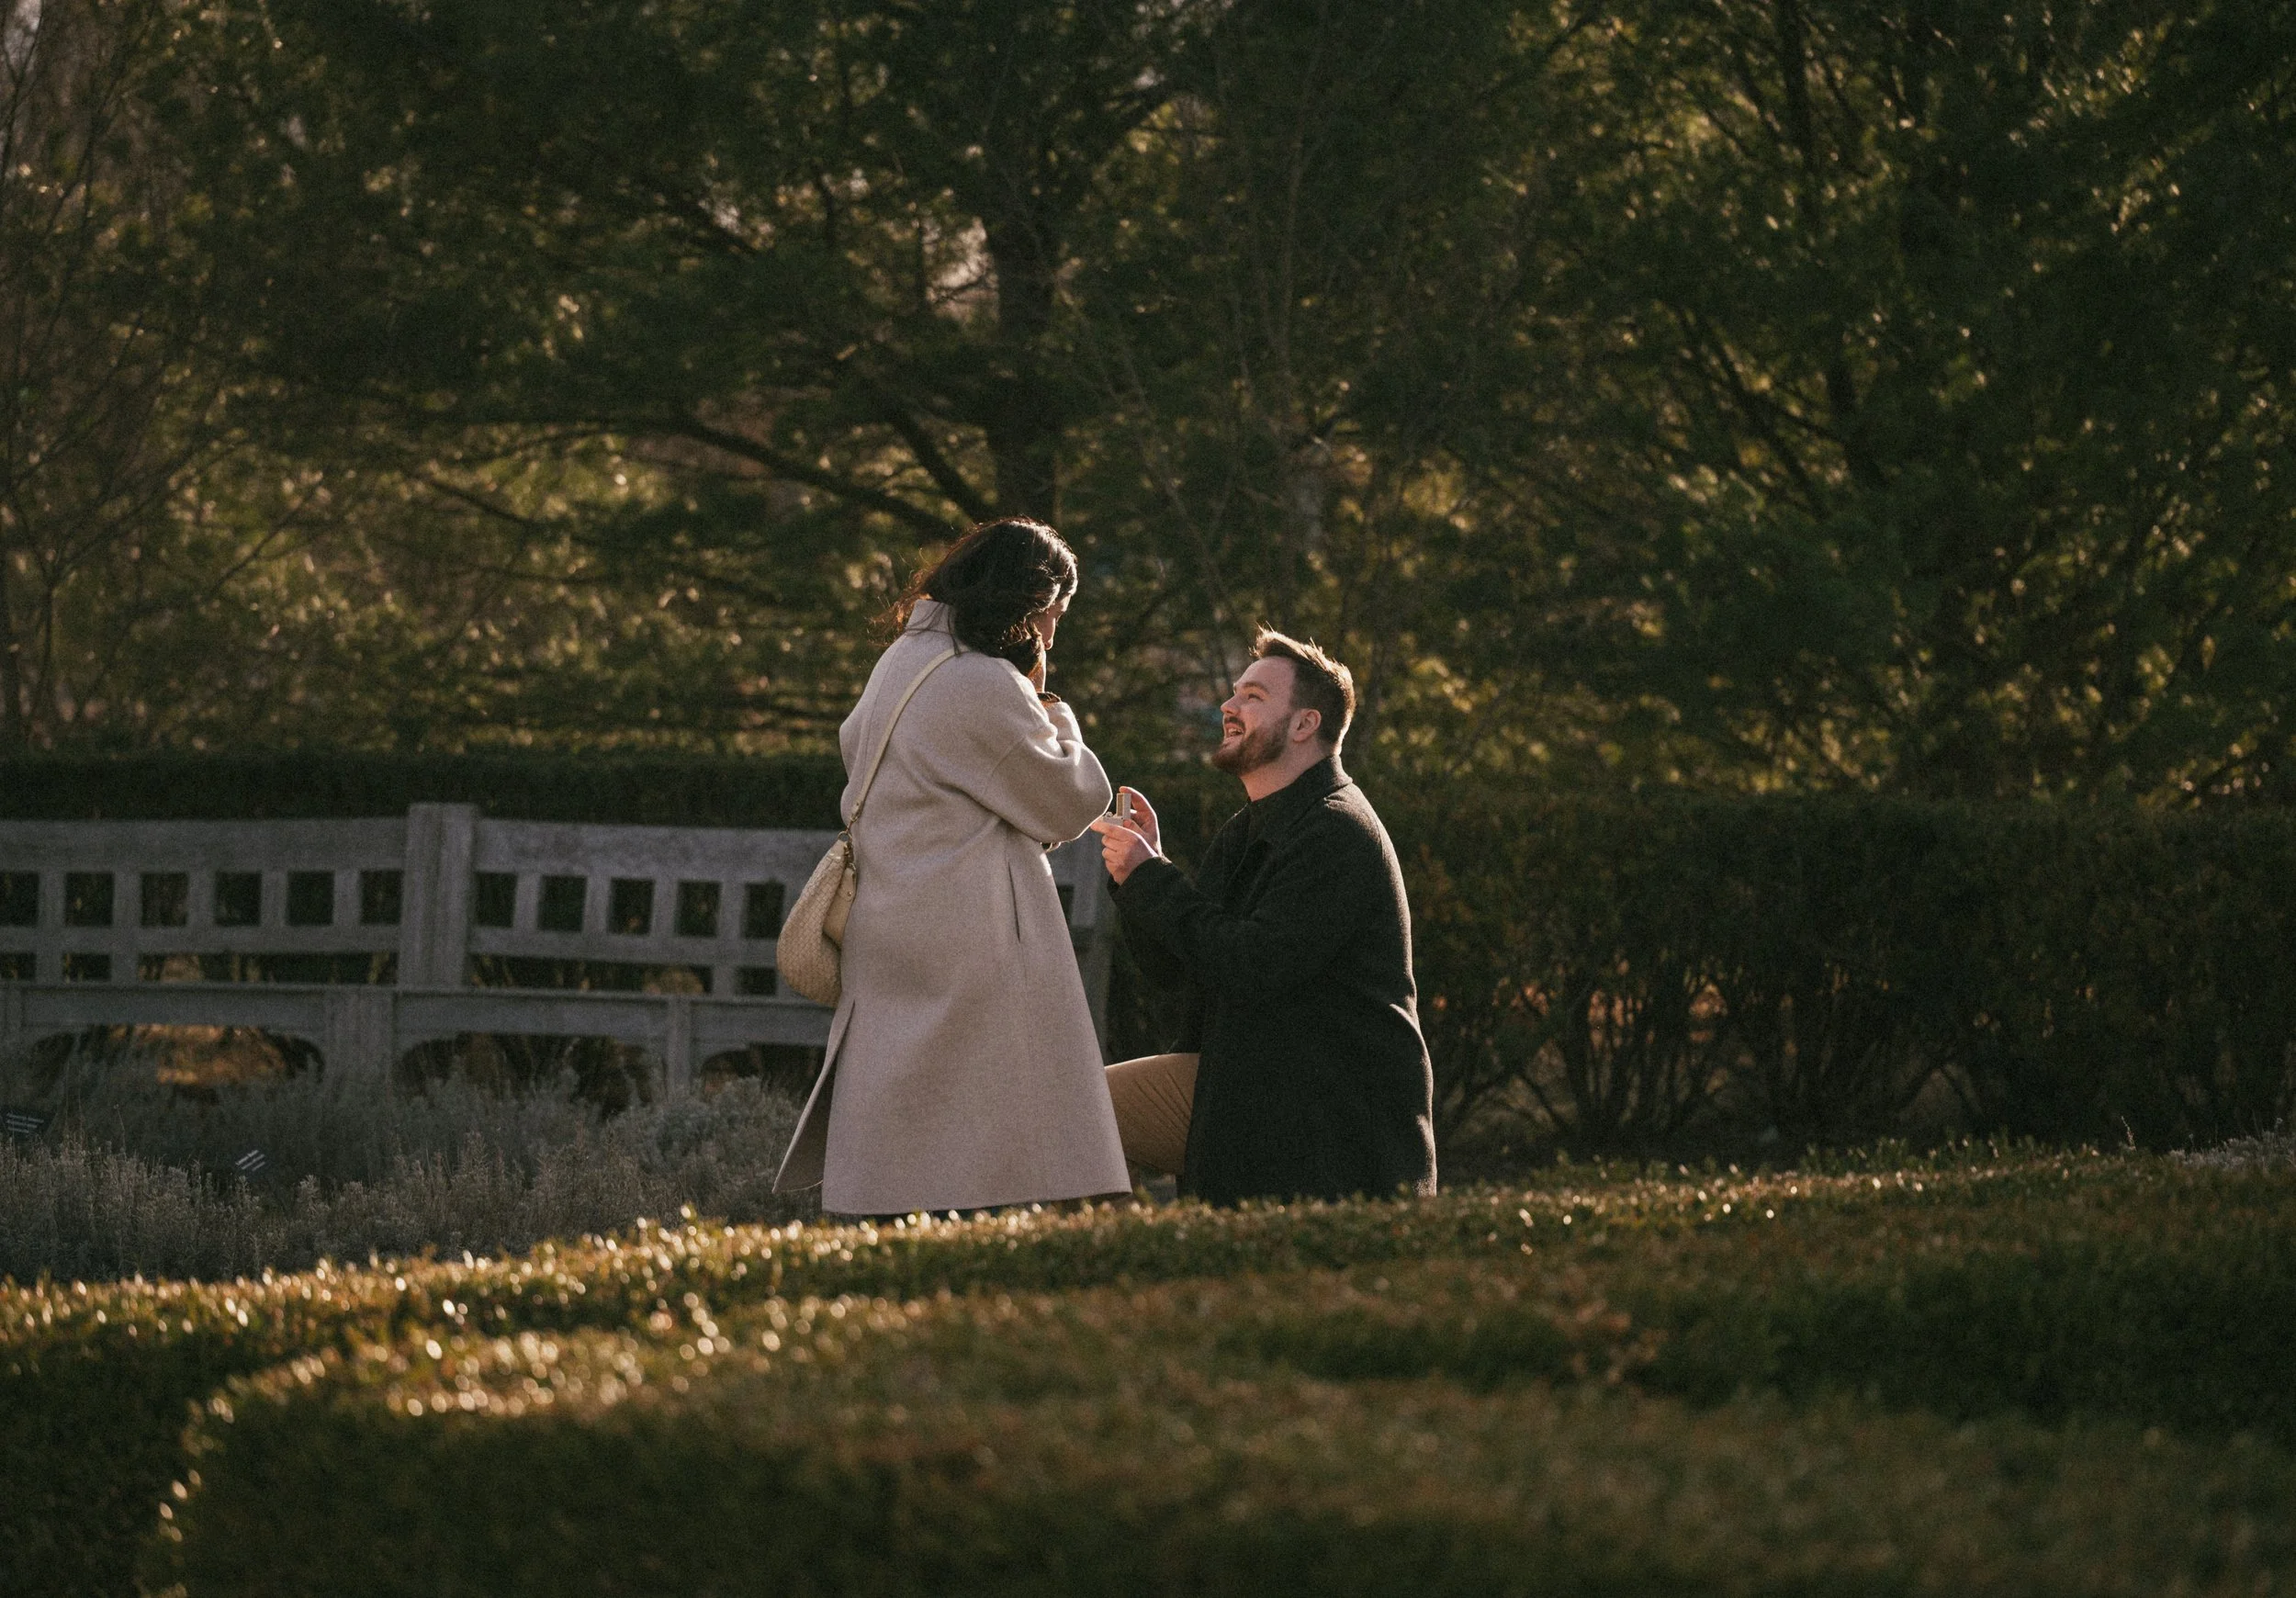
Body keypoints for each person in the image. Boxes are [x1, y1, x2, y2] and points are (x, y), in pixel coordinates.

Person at [774, 519, 1130, 1215]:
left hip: (891, 915)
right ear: (1023, 602)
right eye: (1052, 615)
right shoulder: (977, 683)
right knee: (996, 1138)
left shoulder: (900, 663)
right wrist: (1055, 710)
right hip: (967, 925)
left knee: (907, 1115)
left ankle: (891, 1243)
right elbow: (1070, 801)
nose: (1052, 636)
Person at [1092, 631, 1438, 1206]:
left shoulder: (1336, 832)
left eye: (1252, 697)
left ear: (1304, 725)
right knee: (1064, 1123)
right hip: (1248, 1082)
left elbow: (1252, 963)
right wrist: (1136, 879)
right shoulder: (1251, 828)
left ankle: (1130, 1277)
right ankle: (1132, 1274)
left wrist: (1154, 878)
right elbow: (1177, 971)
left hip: (1324, 1111)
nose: (1228, 707)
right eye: (1234, 694)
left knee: (1069, 1123)